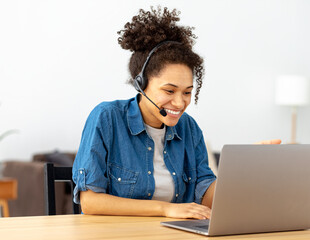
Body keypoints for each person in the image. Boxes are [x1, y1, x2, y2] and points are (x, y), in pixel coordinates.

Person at [72, 6, 281, 220]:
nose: (180, 103)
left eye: (187, 92)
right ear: (140, 84)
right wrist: (165, 209)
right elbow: (90, 201)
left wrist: (242, 169)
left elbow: (205, 195)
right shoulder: (107, 118)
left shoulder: (188, 127)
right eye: (169, 91)